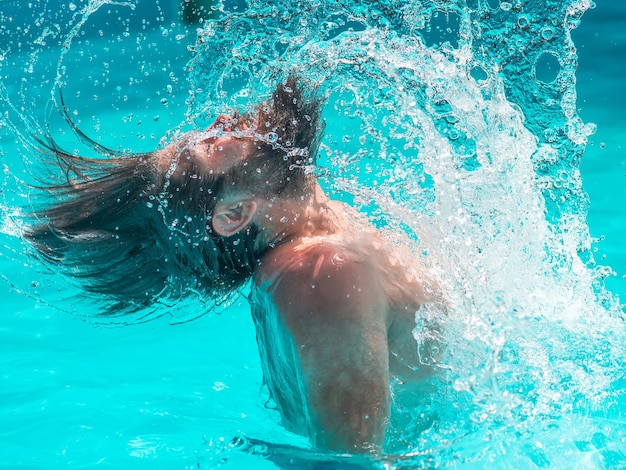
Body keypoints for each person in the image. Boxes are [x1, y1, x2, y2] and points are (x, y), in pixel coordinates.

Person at [26, 77, 436, 453]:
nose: (223, 121)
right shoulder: (321, 272)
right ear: (234, 214)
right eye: (209, 146)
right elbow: (352, 463)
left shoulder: (307, 248)